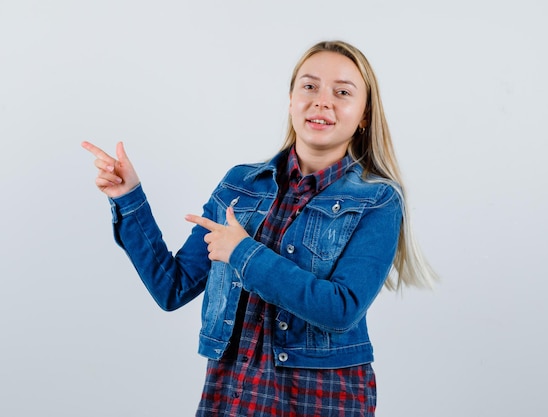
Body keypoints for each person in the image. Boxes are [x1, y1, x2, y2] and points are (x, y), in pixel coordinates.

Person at [82, 40, 436, 417]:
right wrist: (129, 198)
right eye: (310, 86)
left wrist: (242, 253)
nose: (322, 101)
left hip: (322, 399)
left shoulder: (378, 200)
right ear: (290, 100)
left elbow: (341, 309)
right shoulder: (240, 184)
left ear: (364, 114)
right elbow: (173, 287)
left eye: (342, 92)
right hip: (233, 394)